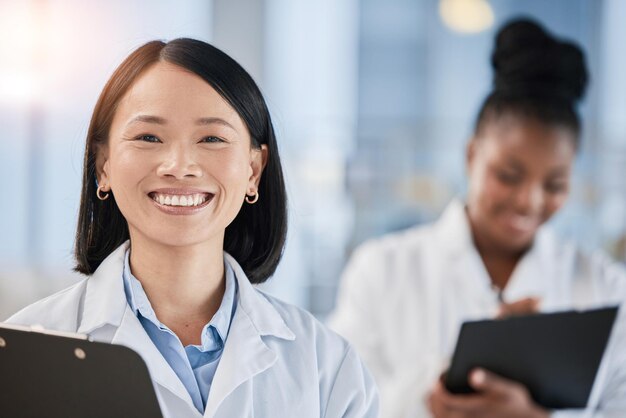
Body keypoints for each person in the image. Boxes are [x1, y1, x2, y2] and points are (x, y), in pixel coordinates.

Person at [5, 39, 378, 418]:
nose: (180, 165)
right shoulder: (20, 356)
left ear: (254, 171)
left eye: (211, 139)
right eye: (148, 137)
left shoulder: (327, 366)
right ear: (103, 165)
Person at [329, 18, 626, 418]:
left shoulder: (606, 286)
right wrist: (438, 387)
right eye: (508, 176)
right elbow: (335, 404)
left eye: (554, 185)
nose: (528, 201)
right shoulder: (381, 268)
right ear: (471, 155)